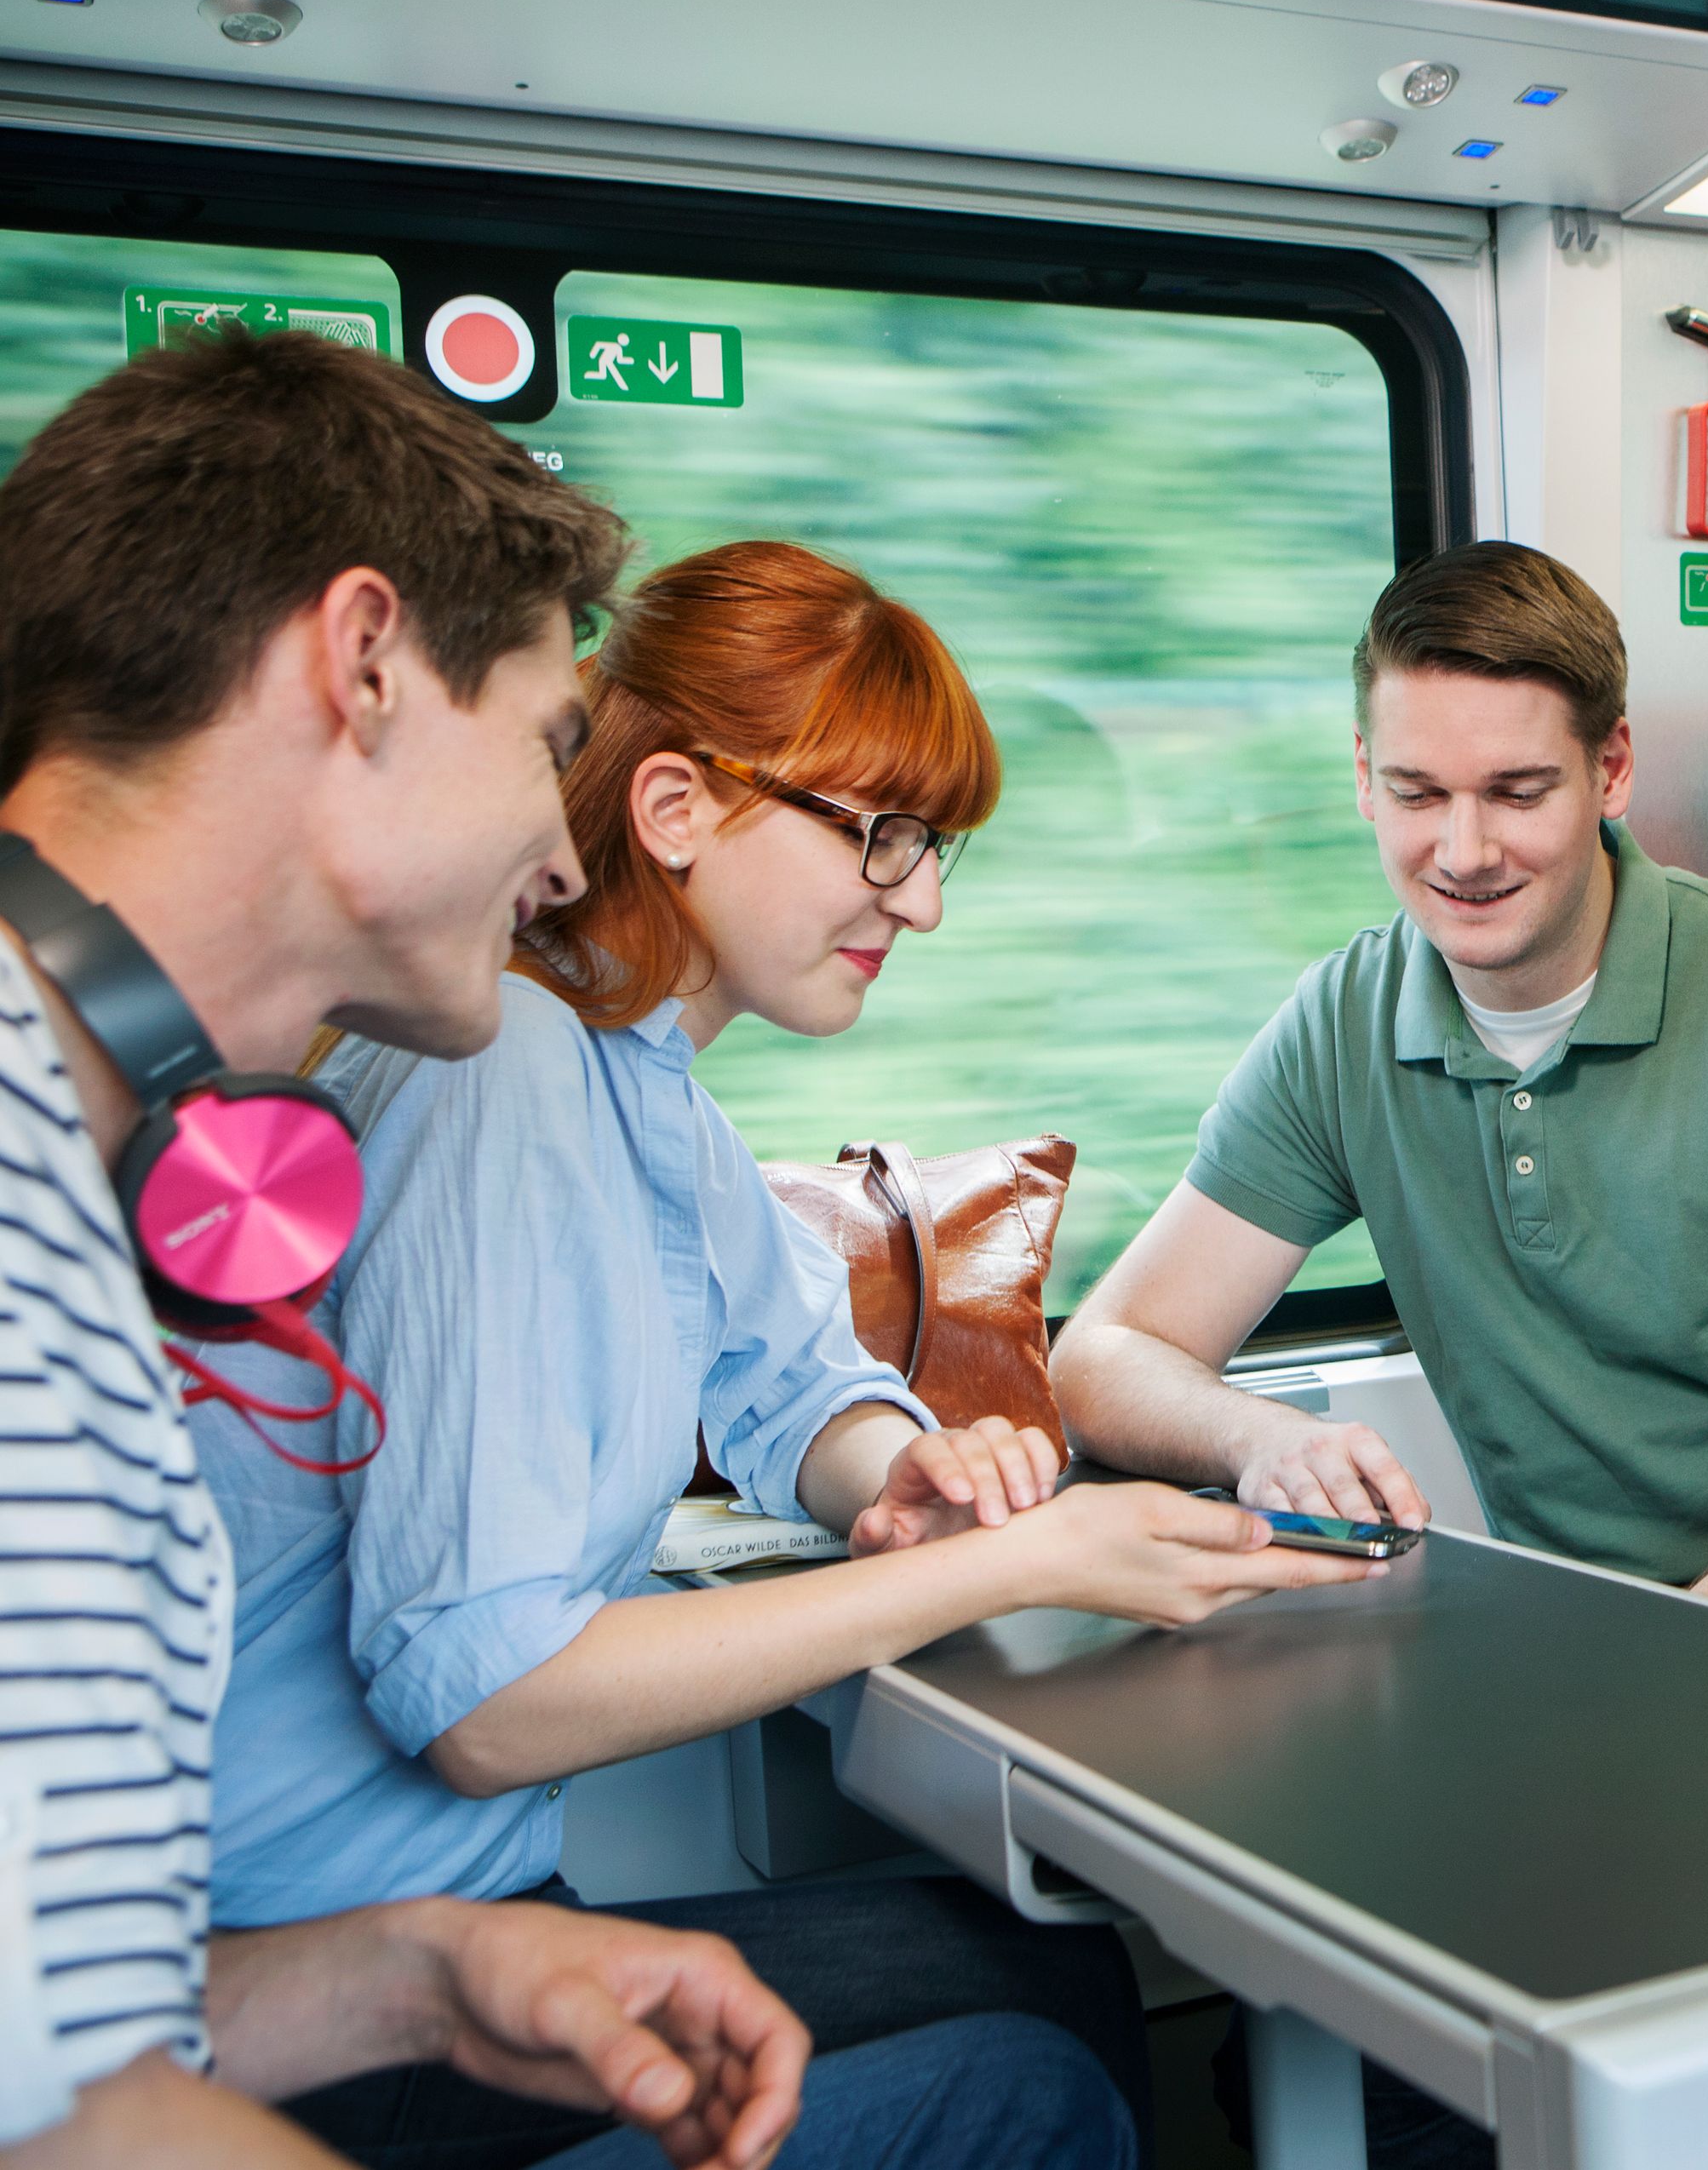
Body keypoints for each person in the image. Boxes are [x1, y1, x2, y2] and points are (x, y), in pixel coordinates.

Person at [0, 329, 1122, 2170]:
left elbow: (67, 2031)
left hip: (312, 1968)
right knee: (1030, 2081)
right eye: (544, 743)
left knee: (1030, 1978)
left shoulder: (108, 1165)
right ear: (361, 667)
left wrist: (431, 1968)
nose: (554, 847)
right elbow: (87, 2108)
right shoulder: (51, 1250)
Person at [194, 540, 1385, 2165]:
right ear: (677, 809)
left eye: (941, 846)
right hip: (308, 2005)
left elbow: (792, 1385)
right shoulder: (507, 1070)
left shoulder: (650, 1090)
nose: (926, 899)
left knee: (1049, 1966)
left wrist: (905, 1471)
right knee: (1027, 2076)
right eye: (882, 835)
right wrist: (1009, 1564)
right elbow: (484, 1700)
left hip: (438, 1917)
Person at [1052, 541, 1708, 1612]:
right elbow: (1103, 1355)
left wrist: (1663, 1681)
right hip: (1597, 1636)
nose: (1462, 852)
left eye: (1516, 793)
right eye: (1418, 793)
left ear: (1610, 772)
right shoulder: (1343, 1025)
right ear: (1364, 778)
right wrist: (1259, 1435)